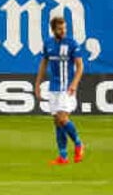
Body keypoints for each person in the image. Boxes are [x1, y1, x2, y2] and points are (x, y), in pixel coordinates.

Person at [34, 16, 85, 165]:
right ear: (53, 30)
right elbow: (43, 64)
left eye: (64, 28)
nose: (63, 31)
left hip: (67, 87)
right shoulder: (48, 44)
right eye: (60, 29)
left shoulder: (72, 44)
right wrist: (37, 84)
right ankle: (63, 156)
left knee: (62, 118)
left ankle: (78, 143)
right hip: (53, 87)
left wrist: (74, 84)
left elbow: (80, 66)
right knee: (57, 122)